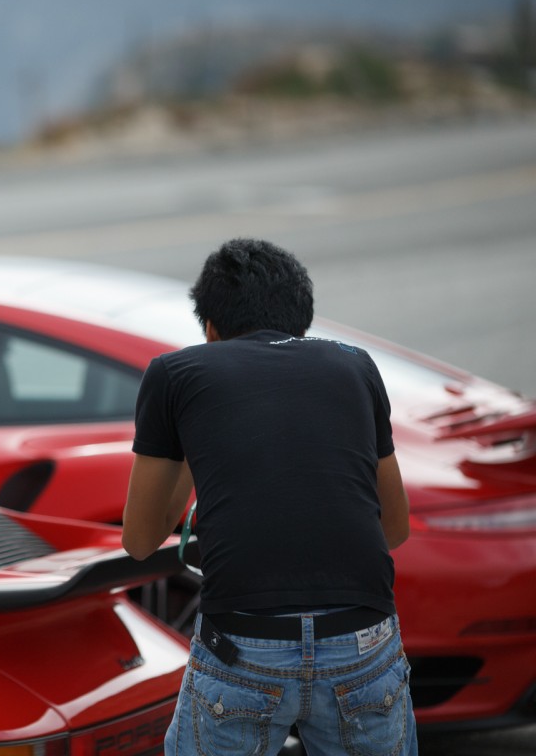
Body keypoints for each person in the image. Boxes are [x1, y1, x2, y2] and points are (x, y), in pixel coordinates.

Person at [122, 238, 417, 756]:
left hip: (243, 642)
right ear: (301, 323)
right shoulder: (356, 365)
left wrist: (198, 439)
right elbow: (394, 529)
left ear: (210, 328)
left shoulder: (176, 374)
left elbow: (141, 541)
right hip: (362, 637)